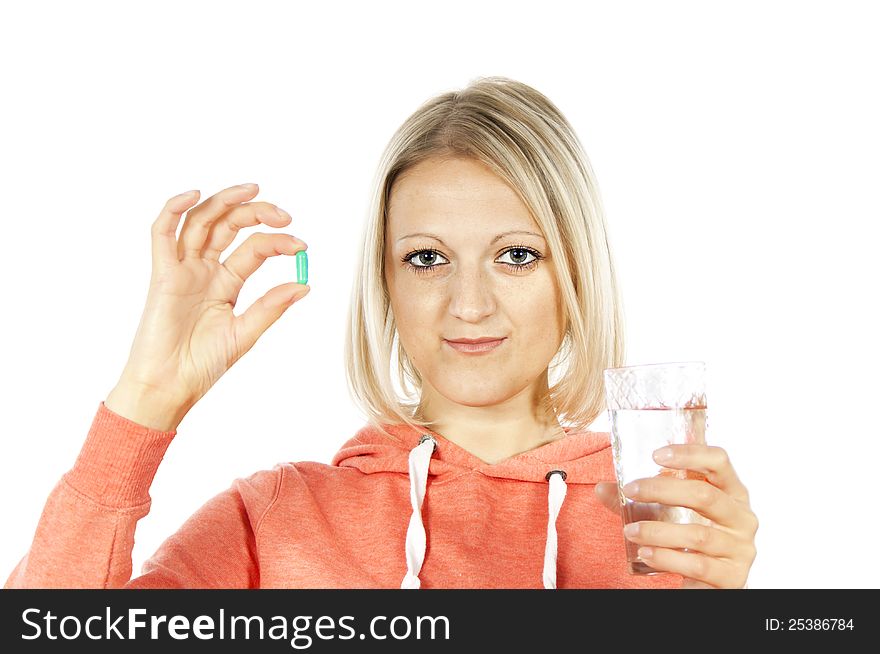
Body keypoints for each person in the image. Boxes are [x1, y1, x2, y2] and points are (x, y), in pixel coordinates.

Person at [4, 76, 757, 589]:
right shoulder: (276, 517)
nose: (469, 304)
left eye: (517, 255)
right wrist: (144, 403)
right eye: (427, 258)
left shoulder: (652, 526)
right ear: (385, 284)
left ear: (576, 275)